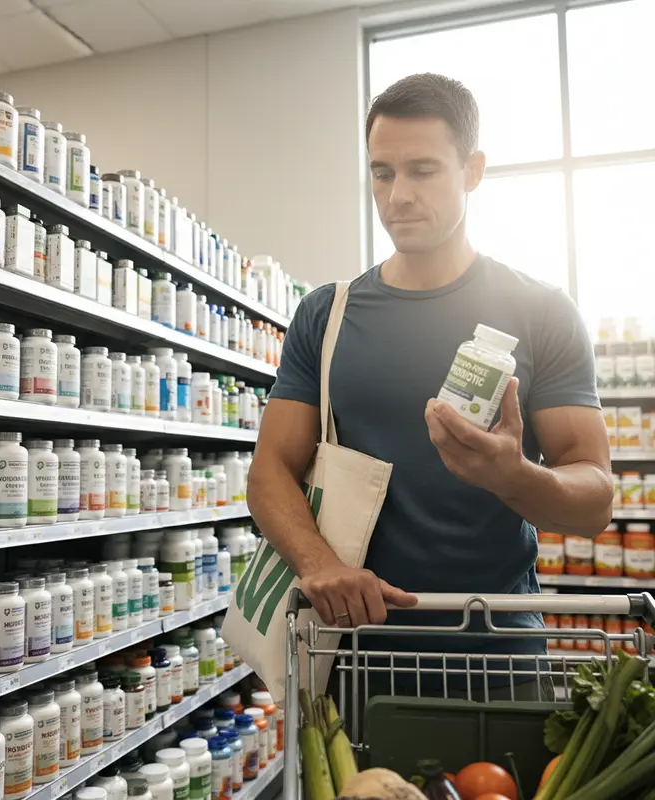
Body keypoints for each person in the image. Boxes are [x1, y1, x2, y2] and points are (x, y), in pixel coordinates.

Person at [247, 73, 612, 697]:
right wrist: (319, 564)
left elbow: (595, 500)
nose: (398, 196)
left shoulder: (541, 311)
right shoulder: (327, 315)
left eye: (423, 171)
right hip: (352, 656)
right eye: (382, 173)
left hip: (497, 653)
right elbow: (269, 471)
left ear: (473, 170)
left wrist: (513, 477)